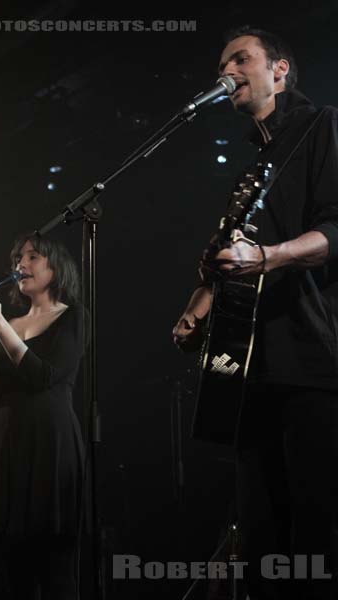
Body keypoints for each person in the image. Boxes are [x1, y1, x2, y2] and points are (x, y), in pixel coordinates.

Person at [173, 26, 338, 600]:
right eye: (222, 64)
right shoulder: (255, 165)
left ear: (280, 70)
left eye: (241, 59)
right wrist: (196, 309)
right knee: (260, 536)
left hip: (312, 362)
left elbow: (336, 229)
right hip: (247, 369)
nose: (228, 71)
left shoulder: (322, 127)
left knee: (315, 531)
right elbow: (225, 263)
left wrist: (268, 257)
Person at [0, 233, 86, 600]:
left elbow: (43, 377)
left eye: (33, 257)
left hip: (48, 446)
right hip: (6, 447)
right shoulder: (11, 323)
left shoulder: (73, 317)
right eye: (19, 258)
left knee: (53, 570)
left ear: (56, 266)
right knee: (9, 571)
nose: (22, 264)